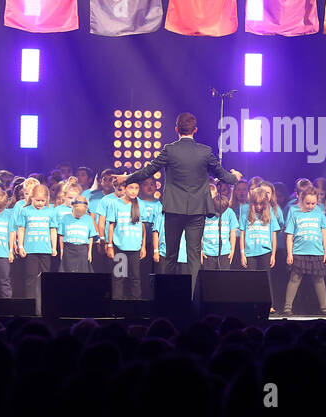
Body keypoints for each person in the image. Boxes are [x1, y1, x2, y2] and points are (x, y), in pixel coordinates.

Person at [116, 112, 241, 289]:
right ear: (195, 130)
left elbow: (148, 171)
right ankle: (192, 299)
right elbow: (225, 176)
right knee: (193, 255)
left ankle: (168, 298)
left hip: (174, 209)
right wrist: (235, 177)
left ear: (176, 130)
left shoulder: (170, 149)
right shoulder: (205, 152)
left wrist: (126, 178)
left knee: (171, 255)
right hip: (197, 210)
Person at [283, 187, 326, 316]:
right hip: (299, 251)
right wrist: (289, 253)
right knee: (295, 278)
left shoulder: (319, 212)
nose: (310, 206)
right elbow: (289, 235)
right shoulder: (294, 212)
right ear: (302, 200)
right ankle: (287, 307)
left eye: (313, 203)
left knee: (319, 279)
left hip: (317, 252)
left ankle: (324, 307)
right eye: (308, 203)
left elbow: (324, 234)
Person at [15, 183, 59, 300]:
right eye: (37, 200)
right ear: (31, 198)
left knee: (45, 277)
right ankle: (30, 302)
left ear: (47, 199)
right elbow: (21, 229)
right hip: (30, 250)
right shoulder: (25, 210)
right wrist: (20, 246)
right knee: (31, 277)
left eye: (42, 201)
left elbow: (53, 230)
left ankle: (44, 302)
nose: (40, 203)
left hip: (45, 250)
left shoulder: (50, 211)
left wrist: (54, 247)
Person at [106, 181, 148, 300]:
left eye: (136, 188)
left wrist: (143, 246)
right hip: (120, 246)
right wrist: (110, 245)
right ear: (124, 189)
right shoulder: (115, 203)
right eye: (131, 188)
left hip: (135, 247)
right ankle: (118, 304)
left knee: (135, 277)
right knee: (119, 277)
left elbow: (143, 227)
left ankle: (136, 305)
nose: (134, 191)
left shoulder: (141, 204)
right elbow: (111, 225)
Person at [57, 196, 95, 273]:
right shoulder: (65, 218)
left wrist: (89, 252)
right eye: (77, 214)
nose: (79, 216)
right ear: (72, 208)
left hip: (82, 249)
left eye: (81, 214)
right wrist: (61, 250)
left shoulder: (88, 218)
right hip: (69, 249)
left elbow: (90, 237)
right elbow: (61, 235)